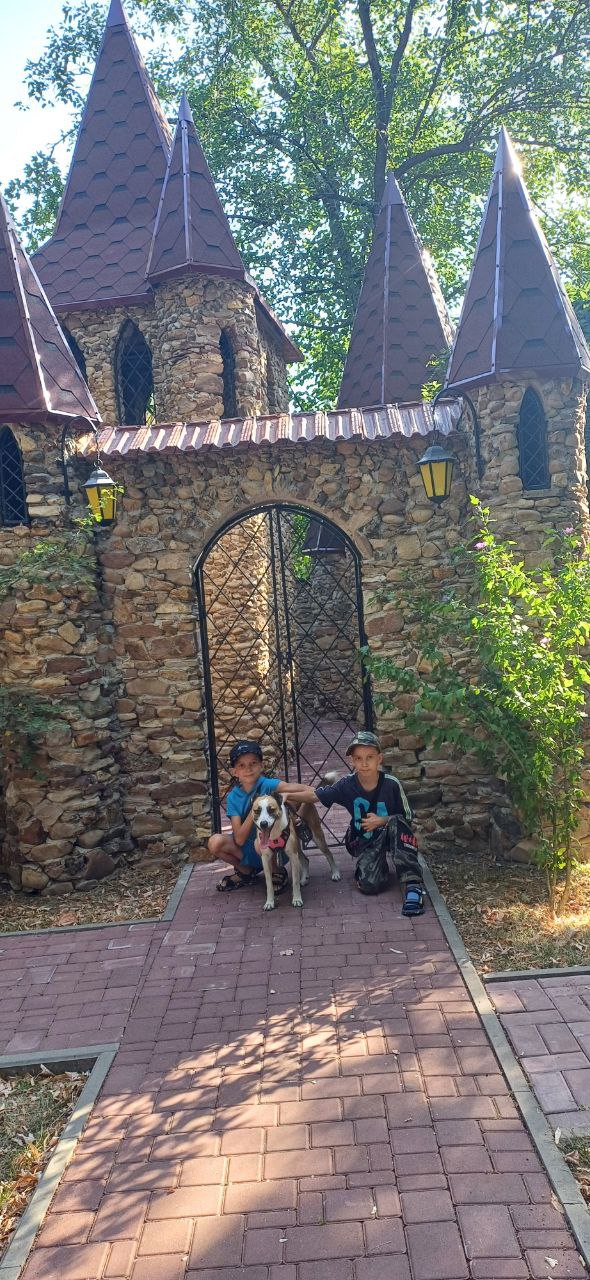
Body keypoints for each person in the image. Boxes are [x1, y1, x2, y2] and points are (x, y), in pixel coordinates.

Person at [285, 730, 425, 916]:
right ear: (352, 761)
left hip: (390, 834)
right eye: (358, 758)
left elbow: (407, 816)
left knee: (397, 821)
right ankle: (378, 865)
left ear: (379, 759)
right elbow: (315, 795)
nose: (364, 763)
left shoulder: (392, 784)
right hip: (365, 841)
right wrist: (287, 795)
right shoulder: (347, 784)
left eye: (370, 757)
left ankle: (412, 884)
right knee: (369, 885)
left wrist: (382, 820)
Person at [209, 740, 311, 894]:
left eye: (253, 763)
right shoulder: (233, 798)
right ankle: (246, 872)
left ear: (261, 766)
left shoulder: (269, 785)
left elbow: (310, 791)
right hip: (247, 850)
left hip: (276, 847)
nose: (248, 769)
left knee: (260, 841)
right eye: (241, 765)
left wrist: (291, 798)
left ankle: (277, 871)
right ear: (234, 771)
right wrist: (256, 808)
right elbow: (239, 839)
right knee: (215, 842)